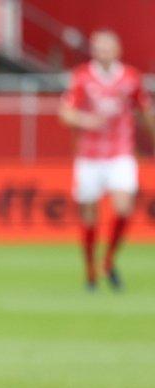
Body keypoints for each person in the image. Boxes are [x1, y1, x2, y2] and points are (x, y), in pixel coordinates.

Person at [59, 29, 155, 291]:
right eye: (98, 48)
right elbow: (65, 113)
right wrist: (85, 120)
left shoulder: (130, 78)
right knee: (89, 215)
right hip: (89, 155)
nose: (103, 53)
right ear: (93, 51)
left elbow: (145, 111)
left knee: (123, 207)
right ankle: (90, 269)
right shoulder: (81, 77)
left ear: (117, 50)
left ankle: (108, 261)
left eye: (107, 48)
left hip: (120, 151)